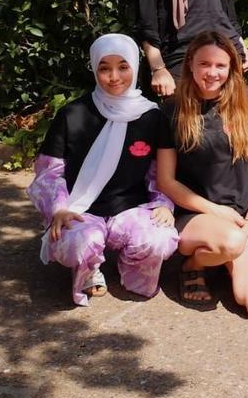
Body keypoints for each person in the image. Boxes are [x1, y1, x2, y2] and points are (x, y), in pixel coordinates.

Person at [27, 34, 179, 306]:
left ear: (134, 66)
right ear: (94, 68)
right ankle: (87, 268)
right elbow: (49, 173)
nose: (114, 76)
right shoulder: (72, 114)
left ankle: (133, 269)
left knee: (158, 238)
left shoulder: (151, 116)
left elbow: (159, 172)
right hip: (82, 209)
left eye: (123, 66)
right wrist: (59, 208)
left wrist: (162, 203)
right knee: (77, 241)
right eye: (104, 68)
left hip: (132, 209)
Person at [156, 30, 248, 316]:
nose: (212, 72)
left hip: (243, 217)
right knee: (231, 242)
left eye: (220, 65)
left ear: (232, 68)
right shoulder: (171, 109)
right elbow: (166, 181)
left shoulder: (247, 99)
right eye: (204, 64)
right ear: (190, 65)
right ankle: (193, 265)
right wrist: (216, 211)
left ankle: (221, 259)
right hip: (196, 216)